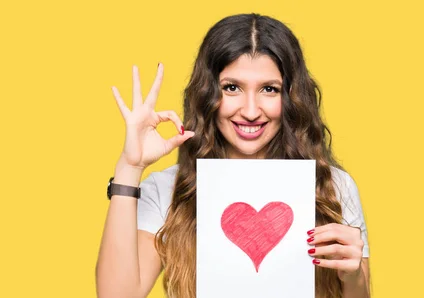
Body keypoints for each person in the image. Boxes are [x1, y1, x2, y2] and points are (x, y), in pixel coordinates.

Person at [96, 13, 370, 298]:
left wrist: (352, 278)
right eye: (232, 88)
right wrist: (130, 167)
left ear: (290, 97)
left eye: (269, 89)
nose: (250, 111)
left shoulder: (332, 187)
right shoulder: (167, 190)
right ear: (207, 94)